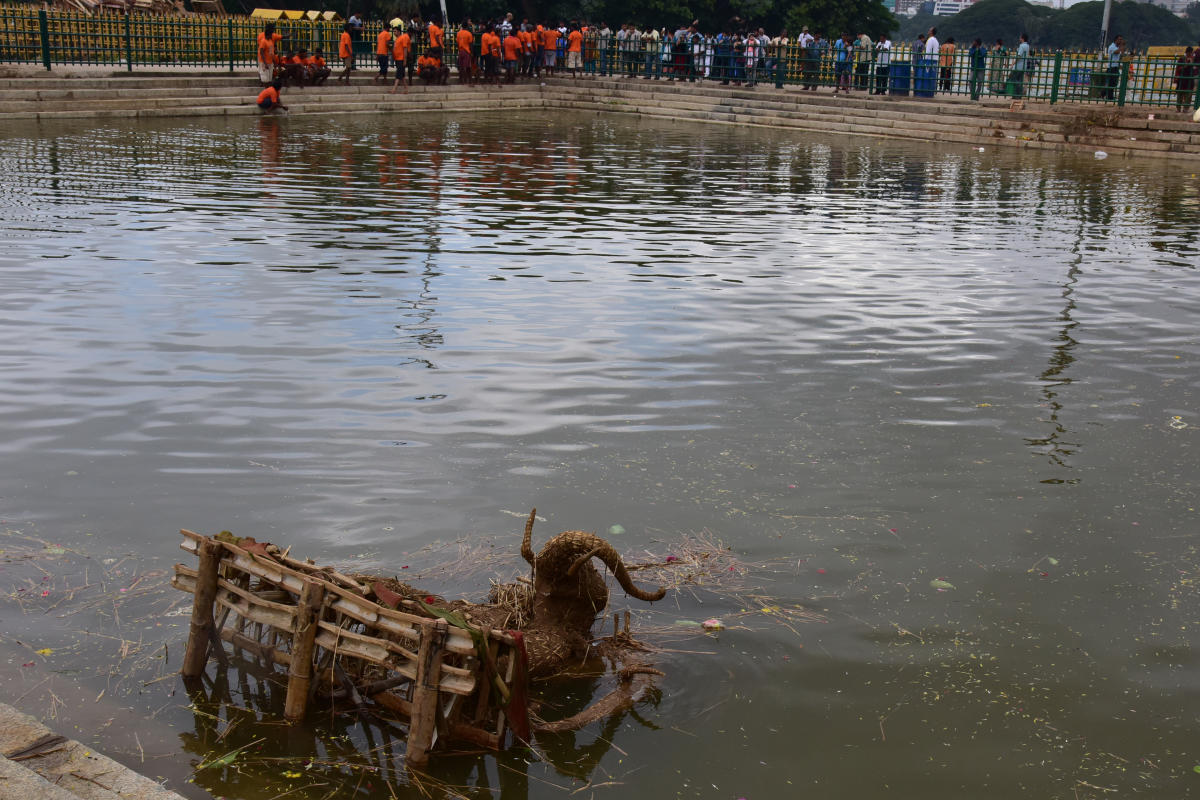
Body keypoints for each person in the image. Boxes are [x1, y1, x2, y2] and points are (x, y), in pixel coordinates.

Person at [390, 26, 411, 93]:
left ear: (399, 32)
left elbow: (405, 49)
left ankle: (394, 89)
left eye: (395, 31)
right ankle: (406, 89)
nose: (394, 33)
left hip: (401, 59)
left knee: (398, 74)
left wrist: (404, 60)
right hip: (397, 59)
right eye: (393, 31)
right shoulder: (397, 39)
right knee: (402, 75)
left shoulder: (402, 38)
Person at [1010, 32, 1031, 98]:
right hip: (1023, 66)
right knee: (1019, 80)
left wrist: (1013, 63)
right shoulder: (1027, 46)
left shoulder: (1021, 46)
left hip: (1018, 66)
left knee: (1013, 78)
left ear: (1022, 38)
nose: (1019, 39)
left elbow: (1019, 56)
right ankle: (1017, 96)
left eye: (1020, 37)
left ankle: (1017, 94)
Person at [1104, 35, 1124, 101]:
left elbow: (1120, 55)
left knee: (1114, 83)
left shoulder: (1117, 47)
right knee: (1111, 83)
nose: (1120, 41)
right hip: (1111, 68)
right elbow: (1117, 52)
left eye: (1121, 39)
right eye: (1119, 39)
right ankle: (1109, 97)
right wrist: (1121, 46)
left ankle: (1103, 94)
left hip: (1115, 67)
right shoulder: (1112, 47)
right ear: (1116, 40)